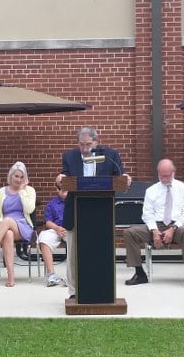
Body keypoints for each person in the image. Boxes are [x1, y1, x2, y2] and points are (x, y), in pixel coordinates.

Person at [55, 127, 131, 300]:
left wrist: (126, 179)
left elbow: (120, 177)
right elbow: (64, 179)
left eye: (88, 144)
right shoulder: (69, 156)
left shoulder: (110, 155)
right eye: (81, 144)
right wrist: (60, 179)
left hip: (102, 214)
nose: (85, 149)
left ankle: (104, 289)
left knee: (101, 252)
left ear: (96, 142)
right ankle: (74, 291)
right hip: (75, 213)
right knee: (73, 254)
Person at [123, 159, 184, 289]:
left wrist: (173, 228)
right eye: (161, 175)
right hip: (156, 225)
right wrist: (154, 231)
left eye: (167, 176)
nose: (164, 179)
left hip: (177, 226)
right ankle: (139, 273)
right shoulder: (151, 190)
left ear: (173, 172)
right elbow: (147, 214)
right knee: (130, 233)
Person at [0, 161, 36, 287]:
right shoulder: (0, 192)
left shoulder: (29, 191)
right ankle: (10, 275)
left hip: (23, 226)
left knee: (7, 221)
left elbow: (30, 209)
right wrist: (1, 224)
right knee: (8, 233)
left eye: (22, 177)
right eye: (16, 176)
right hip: (5, 227)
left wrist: (22, 191)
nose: (19, 179)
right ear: (10, 176)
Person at [37, 182, 68, 287]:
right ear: (57, 189)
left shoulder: (75, 201)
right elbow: (48, 222)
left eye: (67, 189)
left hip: (71, 229)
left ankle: (71, 276)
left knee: (78, 239)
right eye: (62, 189)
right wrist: (57, 228)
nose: (65, 192)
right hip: (56, 229)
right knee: (44, 239)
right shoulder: (51, 203)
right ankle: (51, 275)